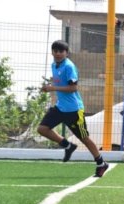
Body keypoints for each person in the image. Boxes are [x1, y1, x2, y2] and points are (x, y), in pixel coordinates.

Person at [37, 40, 109, 177]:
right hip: (60, 107)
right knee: (42, 129)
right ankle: (68, 146)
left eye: (61, 51)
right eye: (55, 51)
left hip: (74, 110)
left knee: (84, 138)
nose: (58, 54)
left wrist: (52, 88)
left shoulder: (69, 66)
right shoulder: (54, 65)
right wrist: (48, 87)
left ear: (66, 53)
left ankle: (101, 163)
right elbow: (59, 83)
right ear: (52, 52)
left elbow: (73, 88)